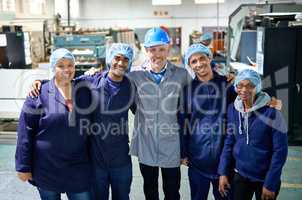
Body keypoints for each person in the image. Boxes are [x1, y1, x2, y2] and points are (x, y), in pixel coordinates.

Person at [28, 43, 135, 200]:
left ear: (130, 63)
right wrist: (41, 82)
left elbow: (143, 111)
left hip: (121, 160)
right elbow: (64, 80)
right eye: (117, 58)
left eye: (125, 59)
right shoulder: (91, 82)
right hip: (96, 161)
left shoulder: (132, 88)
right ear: (110, 59)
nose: (120, 63)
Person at [15, 48, 92, 200]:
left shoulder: (84, 90)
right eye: (61, 65)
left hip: (78, 167)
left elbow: (107, 76)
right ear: (52, 68)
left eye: (70, 65)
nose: (66, 69)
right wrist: (23, 167)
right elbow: (25, 132)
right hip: (47, 167)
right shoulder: (38, 94)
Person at [128, 27, 192, 200]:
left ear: (168, 49)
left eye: (161, 49)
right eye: (152, 50)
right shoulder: (135, 75)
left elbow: (197, 99)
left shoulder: (181, 75)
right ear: (146, 51)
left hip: (171, 144)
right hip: (146, 143)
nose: (157, 54)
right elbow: (112, 81)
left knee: (172, 191)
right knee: (150, 190)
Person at [218, 69, 288, 200]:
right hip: (241, 175)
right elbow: (229, 142)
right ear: (236, 86)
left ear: (258, 87)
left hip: (265, 178)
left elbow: (280, 152)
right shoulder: (233, 109)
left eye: (250, 86)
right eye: (240, 85)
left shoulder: (272, 114)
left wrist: (270, 183)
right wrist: (223, 172)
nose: (244, 90)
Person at [179, 43, 236, 200]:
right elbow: (183, 123)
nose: (199, 64)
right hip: (198, 158)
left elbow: (249, 99)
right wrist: (183, 152)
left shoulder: (228, 85)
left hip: (224, 159)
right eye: (193, 61)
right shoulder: (187, 91)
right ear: (190, 66)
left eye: (202, 58)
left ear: (209, 58)